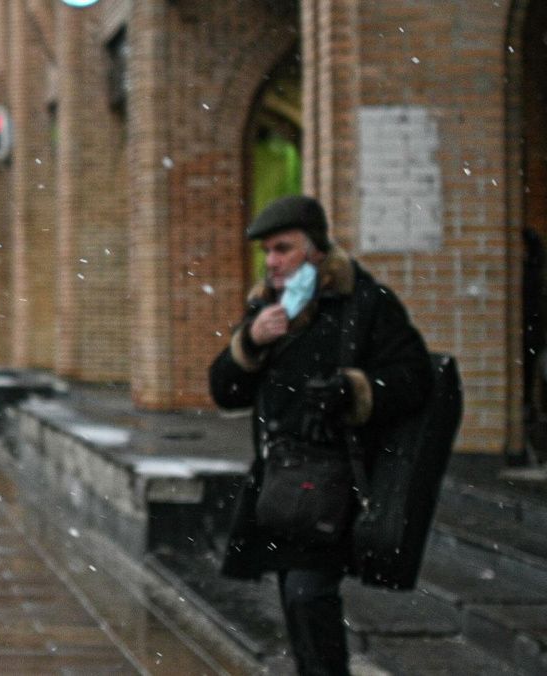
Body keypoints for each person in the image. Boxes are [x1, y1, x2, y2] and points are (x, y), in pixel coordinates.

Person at [208, 195, 432, 676]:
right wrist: (250, 343)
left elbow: (414, 377)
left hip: (336, 483)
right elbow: (224, 390)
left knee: (308, 594)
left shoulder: (366, 304)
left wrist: (352, 390)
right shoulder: (269, 308)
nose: (272, 262)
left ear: (315, 250)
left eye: (283, 249)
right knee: (295, 598)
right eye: (267, 251)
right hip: (283, 485)